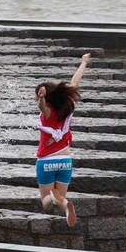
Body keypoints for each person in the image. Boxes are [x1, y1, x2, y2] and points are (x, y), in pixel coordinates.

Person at [35, 53, 91, 226]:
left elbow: (41, 107)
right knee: (61, 200)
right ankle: (66, 205)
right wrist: (83, 62)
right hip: (65, 160)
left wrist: (42, 98)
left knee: (46, 201)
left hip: (46, 161)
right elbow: (75, 82)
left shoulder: (48, 112)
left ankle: (52, 197)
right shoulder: (68, 104)